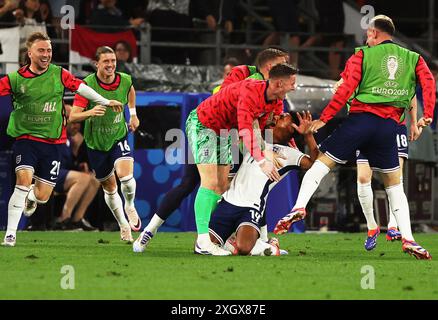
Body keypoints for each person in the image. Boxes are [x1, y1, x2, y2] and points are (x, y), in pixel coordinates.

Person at [274, 15, 436, 260]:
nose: (366, 39)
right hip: (388, 128)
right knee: (395, 185)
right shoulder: (414, 58)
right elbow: (428, 83)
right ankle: (409, 239)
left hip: (360, 122)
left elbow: (346, 90)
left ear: (373, 33)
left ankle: (298, 207)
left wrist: (326, 118)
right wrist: (428, 114)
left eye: (368, 34)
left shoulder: (362, 55)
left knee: (321, 165)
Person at [132, 49, 289, 254]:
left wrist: (269, 146)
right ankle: (152, 233)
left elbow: (266, 124)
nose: (287, 68)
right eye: (283, 63)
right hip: (210, 125)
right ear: (270, 66)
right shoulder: (244, 76)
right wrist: (260, 153)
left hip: (231, 134)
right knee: (192, 183)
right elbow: (232, 104)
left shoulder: (275, 94)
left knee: (234, 186)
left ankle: (238, 238)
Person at [0, 32, 124, 247]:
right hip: (26, 140)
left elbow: (81, 88)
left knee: (43, 196)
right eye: (41, 50)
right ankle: (10, 234)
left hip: (53, 144)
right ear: (30, 53)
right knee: (22, 179)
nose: (46, 54)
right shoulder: (15, 79)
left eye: (48, 50)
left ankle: (32, 195)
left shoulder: (59, 74)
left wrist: (104, 100)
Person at [209, 111, 318, 256]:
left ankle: (272, 247)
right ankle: (260, 244)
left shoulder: (289, 154)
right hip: (227, 202)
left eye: (283, 117)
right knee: (207, 245)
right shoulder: (256, 138)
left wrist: (308, 135)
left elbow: (314, 163)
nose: (278, 117)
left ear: (291, 129)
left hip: (250, 208)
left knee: (243, 248)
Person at [70, 46, 141, 243]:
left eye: (113, 61)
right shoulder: (87, 85)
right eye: (106, 62)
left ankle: (130, 205)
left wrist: (133, 115)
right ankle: (123, 225)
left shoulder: (125, 79)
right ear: (97, 64)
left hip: (119, 136)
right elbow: (73, 115)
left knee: (126, 177)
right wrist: (90, 113)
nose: (110, 65)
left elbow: (130, 91)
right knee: (109, 188)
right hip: (95, 144)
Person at [52, 105, 100, 231]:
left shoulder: (71, 139)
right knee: (83, 179)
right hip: (50, 174)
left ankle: (77, 219)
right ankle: (64, 219)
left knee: (95, 179)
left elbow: (68, 163)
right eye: (72, 121)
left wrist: (77, 158)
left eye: (78, 123)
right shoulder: (55, 133)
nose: (76, 126)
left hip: (62, 174)